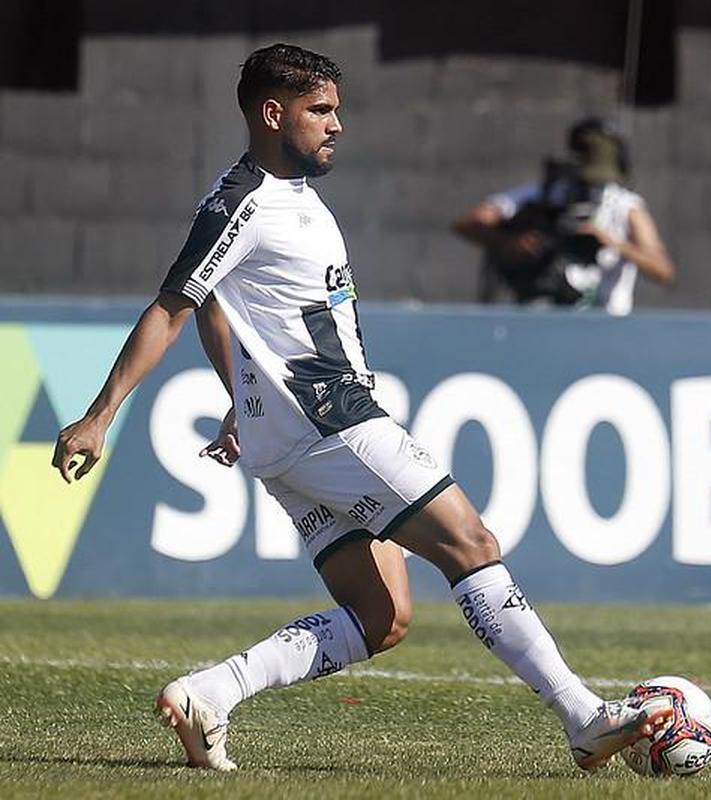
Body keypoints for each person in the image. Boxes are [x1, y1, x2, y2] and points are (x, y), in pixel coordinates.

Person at [50, 43, 669, 772]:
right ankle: (583, 717)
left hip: (288, 440)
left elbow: (220, 309)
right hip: (331, 420)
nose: (336, 125)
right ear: (272, 113)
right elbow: (173, 309)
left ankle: (210, 693)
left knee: (381, 618)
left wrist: (241, 399)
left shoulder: (281, 197)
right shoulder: (241, 201)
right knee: (471, 546)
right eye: (320, 111)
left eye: (337, 110)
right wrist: (100, 414)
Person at [453, 117, 676, 315]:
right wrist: (512, 242)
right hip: (544, 316)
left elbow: (663, 270)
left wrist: (613, 244)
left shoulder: (627, 208)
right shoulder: (546, 194)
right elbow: (468, 223)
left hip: (604, 325)